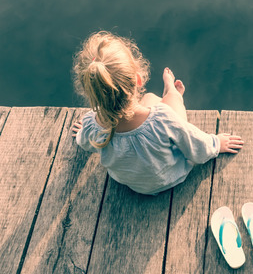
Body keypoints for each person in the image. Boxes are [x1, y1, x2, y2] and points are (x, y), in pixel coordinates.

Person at [71, 31, 243, 195]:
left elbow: (84, 142)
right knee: (159, 102)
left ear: (91, 91)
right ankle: (172, 94)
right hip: (172, 178)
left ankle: (168, 97)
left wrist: (82, 131)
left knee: (148, 100)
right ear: (138, 79)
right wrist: (216, 143)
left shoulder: (92, 126)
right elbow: (197, 147)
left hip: (132, 184)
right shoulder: (162, 119)